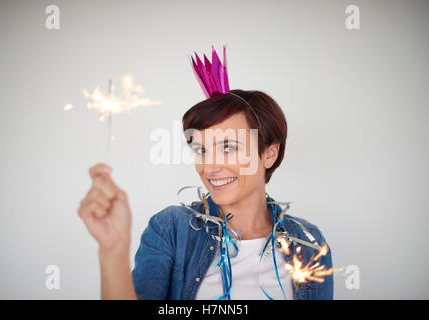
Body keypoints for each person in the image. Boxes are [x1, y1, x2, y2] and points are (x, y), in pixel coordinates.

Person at [77, 46, 333, 300]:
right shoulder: (171, 229)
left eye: (228, 147)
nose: (209, 167)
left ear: (269, 154)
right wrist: (113, 251)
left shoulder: (309, 244)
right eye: (200, 150)